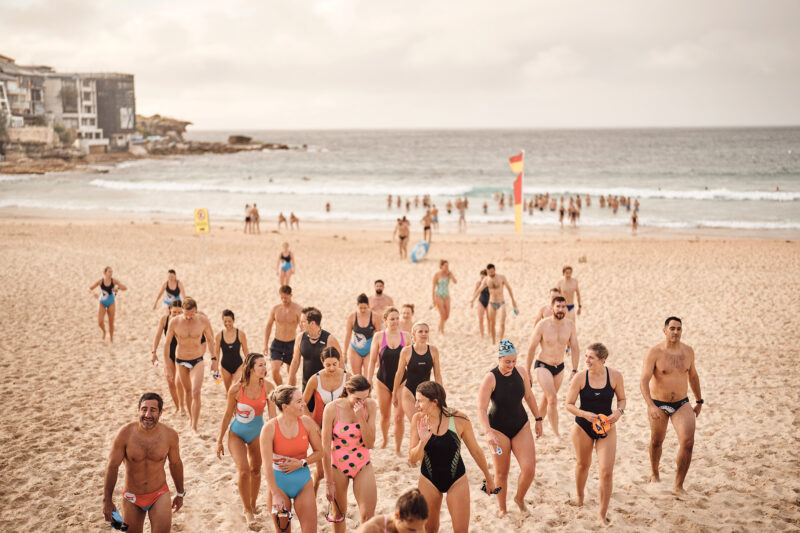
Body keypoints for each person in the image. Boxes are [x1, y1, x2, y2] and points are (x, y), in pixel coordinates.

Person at [409, 381, 496, 533]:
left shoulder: (459, 419)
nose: (416, 405)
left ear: (435, 401)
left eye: (420, 401)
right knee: (430, 529)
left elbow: (475, 451)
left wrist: (488, 478)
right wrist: (423, 441)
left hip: (457, 480)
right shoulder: (418, 419)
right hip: (428, 479)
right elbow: (412, 459)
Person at [477, 340, 543, 517]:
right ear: (499, 358)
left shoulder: (521, 372)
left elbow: (529, 396)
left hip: (521, 425)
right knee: (501, 472)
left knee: (529, 469)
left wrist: (538, 419)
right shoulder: (490, 378)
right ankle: (502, 508)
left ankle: (519, 498)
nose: (511, 365)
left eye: (514, 361)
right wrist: (488, 432)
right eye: (507, 362)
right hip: (497, 429)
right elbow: (481, 409)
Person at [103, 393, 184, 533]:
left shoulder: (169, 435)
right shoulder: (125, 434)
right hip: (132, 497)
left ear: (160, 413)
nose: (147, 414)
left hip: (159, 494)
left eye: (153, 410)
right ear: (138, 410)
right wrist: (107, 500)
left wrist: (180, 493)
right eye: (144, 409)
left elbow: (175, 464)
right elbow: (112, 466)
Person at [640, 317, 703, 495]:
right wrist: (650, 405)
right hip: (658, 404)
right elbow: (644, 380)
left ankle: (678, 485)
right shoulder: (654, 352)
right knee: (657, 441)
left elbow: (693, 377)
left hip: (681, 403)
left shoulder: (688, 351)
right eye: (672, 328)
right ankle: (654, 473)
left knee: (688, 442)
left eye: (679, 329)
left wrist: (699, 401)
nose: (676, 332)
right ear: (665, 330)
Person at [565, 343, 626, 523]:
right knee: (583, 465)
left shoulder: (615, 376)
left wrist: (618, 412)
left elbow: (622, 399)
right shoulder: (580, 377)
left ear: (602, 360)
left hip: (606, 427)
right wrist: (584, 414)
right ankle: (579, 497)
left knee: (606, 471)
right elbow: (568, 404)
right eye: (586, 356)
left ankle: (601, 514)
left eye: (591, 358)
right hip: (583, 426)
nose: (586, 361)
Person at [216, 353, 277, 523]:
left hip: (257, 433)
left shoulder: (269, 387)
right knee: (244, 470)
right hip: (236, 434)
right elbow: (228, 414)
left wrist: (274, 439)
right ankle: (247, 511)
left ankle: (252, 503)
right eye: (260, 365)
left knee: (256, 471)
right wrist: (219, 440)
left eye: (265, 365)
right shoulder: (236, 389)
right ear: (250, 369)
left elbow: (272, 416)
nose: (264, 368)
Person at [261, 385, 324, 533]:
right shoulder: (269, 428)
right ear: (285, 406)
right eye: (299, 401)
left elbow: (320, 452)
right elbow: (266, 466)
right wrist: (275, 494)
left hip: (303, 483)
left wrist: (302, 462)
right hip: (278, 485)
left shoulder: (306, 423)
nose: (304, 404)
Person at [322, 375, 378, 532]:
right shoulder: (332, 409)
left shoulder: (371, 406)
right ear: (347, 391)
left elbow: (370, 443)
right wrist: (328, 482)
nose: (361, 402)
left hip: (362, 464)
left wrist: (361, 418)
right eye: (357, 398)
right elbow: (325, 447)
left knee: (368, 516)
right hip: (338, 465)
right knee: (338, 515)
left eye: (365, 397)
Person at [525, 296, 580, 439]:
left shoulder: (570, 325)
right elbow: (531, 348)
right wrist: (528, 372)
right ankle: (556, 435)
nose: (561, 309)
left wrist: (574, 369)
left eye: (563, 307)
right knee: (553, 398)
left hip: (559, 367)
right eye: (558, 306)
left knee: (546, 400)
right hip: (543, 365)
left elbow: (575, 348)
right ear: (552, 308)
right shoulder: (543, 325)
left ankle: (538, 426)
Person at [164, 297, 218, 432]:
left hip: (197, 359)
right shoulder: (174, 322)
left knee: (196, 391)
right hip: (180, 360)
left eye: (192, 314)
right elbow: (166, 344)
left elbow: (211, 341)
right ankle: (190, 415)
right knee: (188, 391)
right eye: (186, 314)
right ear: (182, 310)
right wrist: (167, 366)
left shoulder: (202, 321)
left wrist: (214, 360)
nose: (189, 317)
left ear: (196, 310)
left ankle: (194, 424)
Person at [366, 307, 410, 455]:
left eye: (397, 318)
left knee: (399, 417)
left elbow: (412, 361)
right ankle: (385, 439)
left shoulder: (406, 336)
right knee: (385, 416)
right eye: (392, 319)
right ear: (385, 321)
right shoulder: (379, 337)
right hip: (382, 381)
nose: (395, 321)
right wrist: (368, 380)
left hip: (402, 382)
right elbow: (372, 361)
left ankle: (397, 449)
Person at [392, 322, 443, 426]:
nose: (424, 334)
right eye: (420, 331)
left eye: (426, 331)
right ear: (414, 334)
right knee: (417, 424)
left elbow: (437, 375)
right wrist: (394, 394)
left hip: (427, 393)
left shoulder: (433, 351)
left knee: (428, 425)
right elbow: (399, 373)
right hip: (409, 392)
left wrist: (441, 395)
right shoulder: (406, 351)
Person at [289, 307, 343, 394]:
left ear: (312, 323)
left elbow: (340, 364)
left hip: (325, 388)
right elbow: (295, 362)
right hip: (306, 386)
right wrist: (290, 384)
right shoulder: (300, 338)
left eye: (303, 322)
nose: (300, 324)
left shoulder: (330, 339)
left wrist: (341, 388)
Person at [151, 300, 186, 414]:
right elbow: (157, 335)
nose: (176, 315)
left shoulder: (186, 321)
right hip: (169, 352)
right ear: (169, 311)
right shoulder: (164, 320)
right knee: (170, 381)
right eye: (174, 312)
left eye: (179, 312)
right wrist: (154, 352)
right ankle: (178, 407)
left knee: (179, 382)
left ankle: (182, 406)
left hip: (182, 353)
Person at [264, 285, 303, 385]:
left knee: (291, 373)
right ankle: (281, 389)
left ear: (291, 295)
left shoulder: (298, 309)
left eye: (286, 297)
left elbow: (303, 329)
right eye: (282, 297)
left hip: (292, 344)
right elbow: (268, 326)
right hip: (277, 343)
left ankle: (290, 392)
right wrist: (265, 345)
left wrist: (301, 346)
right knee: (274, 371)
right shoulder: (275, 309)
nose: (284, 299)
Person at [471, 263, 518, 345]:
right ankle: (493, 341)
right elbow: (479, 290)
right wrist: (473, 299)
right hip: (491, 303)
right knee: (492, 323)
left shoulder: (501, 277)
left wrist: (513, 300)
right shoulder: (486, 280)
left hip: (501, 303)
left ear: (495, 270)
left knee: (502, 322)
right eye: (489, 273)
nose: (491, 274)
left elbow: (509, 288)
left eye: (492, 272)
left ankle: (500, 340)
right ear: (487, 272)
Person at [303, 346, 347, 427]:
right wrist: (312, 424)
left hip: (342, 424)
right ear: (322, 363)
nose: (332, 368)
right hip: (319, 425)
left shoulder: (347, 377)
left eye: (334, 364)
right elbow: (302, 404)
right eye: (328, 365)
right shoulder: (315, 380)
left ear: (339, 361)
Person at [355, 488, 428, 533]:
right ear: (397, 515)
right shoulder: (371, 529)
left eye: (420, 528)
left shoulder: (417, 525)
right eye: (411, 530)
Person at [89, 266, 127, 342]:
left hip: (111, 302)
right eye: (109, 271)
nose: (111, 273)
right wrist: (93, 293)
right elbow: (90, 288)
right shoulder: (100, 281)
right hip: (102, 302)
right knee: (100, 322)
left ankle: (111, 339)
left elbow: (125, 288)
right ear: (105, 273)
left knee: (111, 322)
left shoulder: (114, 281)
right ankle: (104, 331)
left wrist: (118, 287)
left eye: (111, 272)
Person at [216, 309, 250, 391]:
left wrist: (250, 365)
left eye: (229, 321)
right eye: (225, 321)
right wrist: (215, 367)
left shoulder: (241, 334)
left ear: (233, 320)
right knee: (228, 391)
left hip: (238, 365)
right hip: (225, 367)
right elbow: (217, 353)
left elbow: (246, 351)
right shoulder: (219, 335)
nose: (227, 323)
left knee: (236, 388)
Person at [344, 293, 377, 376]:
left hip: (369, 350)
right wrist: (344, 353)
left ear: (368, 306)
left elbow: (379, 336)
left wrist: (379, 353)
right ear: (357, 306)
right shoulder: (352, 317)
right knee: (357, 378)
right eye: (360, 308)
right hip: (355, 349)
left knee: (367, 378)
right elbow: (348, 335)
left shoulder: (374, 317)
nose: (363, 310)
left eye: (365, 308)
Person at [431, 260, 457, 334]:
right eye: (445, 266)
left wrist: (451, 275)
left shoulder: (449, 274)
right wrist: (433, 299)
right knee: (442, 314)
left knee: (447, 315)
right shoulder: (437, 275)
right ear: (441, 266)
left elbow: (455, 282)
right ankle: (442, 331)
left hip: (446, 295)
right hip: (438, 295)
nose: (447, 267)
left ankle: (440, 326)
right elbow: (433, 287)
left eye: (448, 266)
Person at [472, 269, 490, 337]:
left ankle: (489, 333)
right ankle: (482, 334)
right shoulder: (478, 283)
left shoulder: (490, 283)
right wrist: (472, 301)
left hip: (489, 302)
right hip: (481, 301)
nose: (482, 279)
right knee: (480, 319)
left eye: (483, 278)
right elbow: (475, 292)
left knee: (489, 319)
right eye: (481, 277)